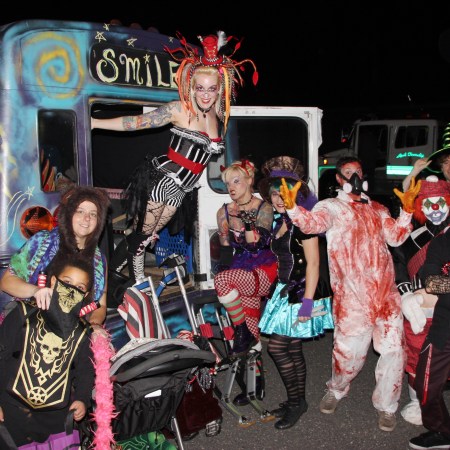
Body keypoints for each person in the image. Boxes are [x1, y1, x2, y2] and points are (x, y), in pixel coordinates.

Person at [91, 31, 258, 283]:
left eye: (211, 89)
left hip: (182, 189)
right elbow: (135, 123)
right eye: (200, 88)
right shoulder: (180, 109)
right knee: (143, 237)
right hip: (163, 181)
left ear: (220, 89)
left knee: (147, 233)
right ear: (191, 86)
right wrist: (95, 123)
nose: (205, 94)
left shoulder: (218, 116)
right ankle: (138, 283)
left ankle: (113, 272)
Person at [279, 156, 419, 432]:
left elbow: (396, 237)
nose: (354, 176)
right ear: (339, 179)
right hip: (352, 300)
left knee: (393, 353)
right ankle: (337, 389)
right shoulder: (331, 206)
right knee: (348, 355)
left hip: (386, 297)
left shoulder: (378, 209)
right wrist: (293, 208)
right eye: (348, 171)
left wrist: (406, 211)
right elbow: (312, 224)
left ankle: (387, 406)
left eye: (358, 171)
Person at [257, 156, 334, 430]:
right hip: (285, 289)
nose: (279, 199)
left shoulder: (304, 222)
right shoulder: (280, 220)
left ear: (296, 194)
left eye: (285, 193)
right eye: (275, 194)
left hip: (302, 292)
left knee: (277, 348)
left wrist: (307, 304)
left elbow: (313, 264)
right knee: (291, 347)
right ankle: (297, 401)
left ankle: (296, 402)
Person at [0, 255, 95, 446]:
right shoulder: (23, 313)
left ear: (85, 295)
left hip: (54, 417)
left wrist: (82, 400)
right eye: (67, 282)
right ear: (53, 281)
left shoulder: (83, 332)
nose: (71, 291)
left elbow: (85, 371)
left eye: (79, 287)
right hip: (10, 408)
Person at [0, 185, 110, 331]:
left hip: (72, 332)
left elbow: (100, 305)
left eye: (93, 214)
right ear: (69, 214)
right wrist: (36, 291)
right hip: (29, 326)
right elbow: (6, 282)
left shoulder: (99, 260)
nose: (87, 218)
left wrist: (93, 327)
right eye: (80, 211)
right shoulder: (42, 242)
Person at [214, 159, 277, 403]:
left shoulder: (264, 208)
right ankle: (255, 388)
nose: (231, 187)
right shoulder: (224, 212)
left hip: (262, 269)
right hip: (241, 271)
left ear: (250, 180)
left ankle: (241, 331)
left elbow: (257, 245)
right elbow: (225, 250)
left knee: (222, 280)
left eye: (236, 181)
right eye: (228, 183)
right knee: (251, 332)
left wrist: (249, 222)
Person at [392, 175, 450, 426]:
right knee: (417, 356)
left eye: (440, 202)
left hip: (447, 307)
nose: (435, 208)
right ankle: (419, 401)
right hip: (420, 308)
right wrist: (406, 295)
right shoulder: (411, 236)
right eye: (428, 203)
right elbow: (398, 266)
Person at [408, 227, 450, 450]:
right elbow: (431, 282)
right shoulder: (442, 242)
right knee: (425, 388)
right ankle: (443, 432)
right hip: (444, 328)